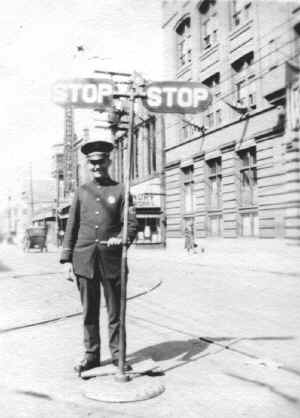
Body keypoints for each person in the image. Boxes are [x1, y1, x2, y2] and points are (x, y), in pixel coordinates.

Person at [60, 140, 138, 375]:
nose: (96, 167)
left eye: (100, 162)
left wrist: (122, 238)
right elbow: (72, 225)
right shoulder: (82, 192)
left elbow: (131, 223)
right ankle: (91, 356)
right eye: (92, 163)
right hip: (84, 261)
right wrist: (66, 260)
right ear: (88, 164)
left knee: (116, 313)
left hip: (112, 261)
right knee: (89, 313)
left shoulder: (121, 190)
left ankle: (118, 355)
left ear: (108, 161)